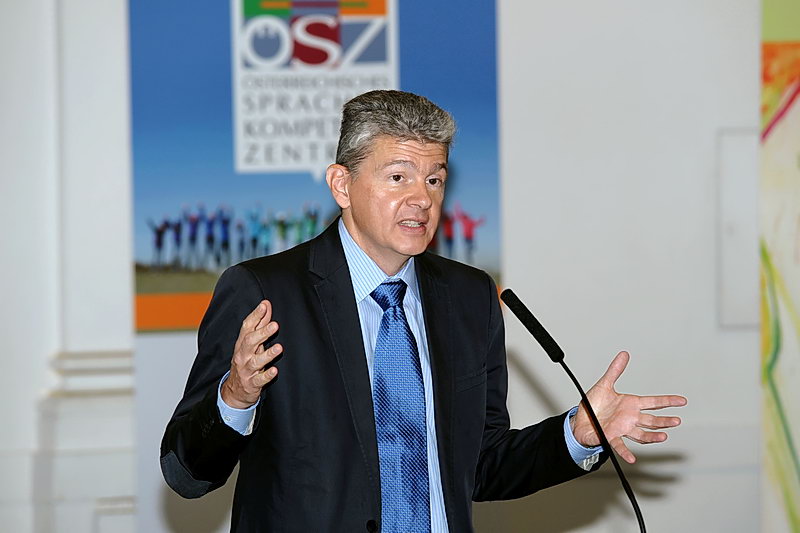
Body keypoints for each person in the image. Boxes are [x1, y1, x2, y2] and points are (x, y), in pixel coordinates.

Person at [161, 90, 686, 532]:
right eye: (398, 177)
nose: (421, 199)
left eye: (434, 180)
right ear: (342, 185)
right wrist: (235, 397)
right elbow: (186, 474)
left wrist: (577, 434)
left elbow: (481, 466)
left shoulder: (470, 297)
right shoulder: (265, 293)